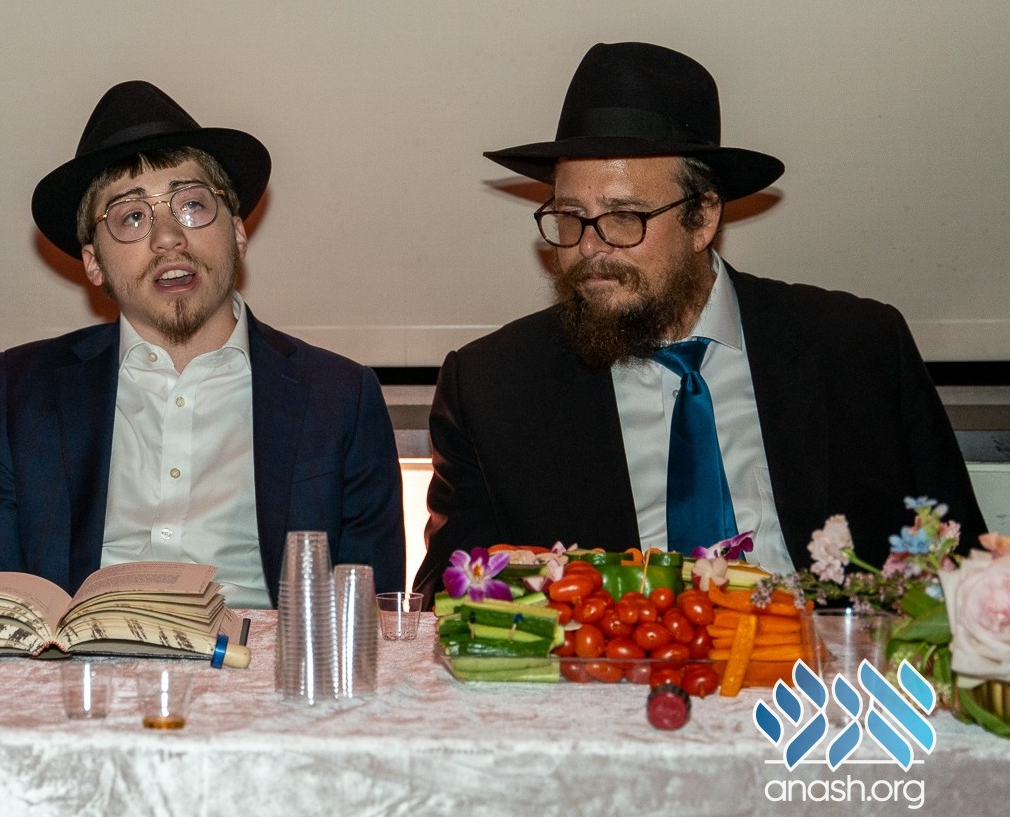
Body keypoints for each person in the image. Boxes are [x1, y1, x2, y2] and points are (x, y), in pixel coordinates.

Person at [414, 41, 983, 599]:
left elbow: (963, 573)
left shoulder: (857, 349)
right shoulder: (493, 388)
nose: (589, 247)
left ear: (703, 216)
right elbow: (444, 599)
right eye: (569, 216)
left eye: (624, 215)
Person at [0, 80, 404, 606]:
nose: (167, 239)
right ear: (93, 262)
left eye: (191, 206)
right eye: (132, 217)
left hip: (262, 656)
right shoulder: (22, 392)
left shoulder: (339, 396)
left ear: (238, 232)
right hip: (81, 657)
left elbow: (372, 613)